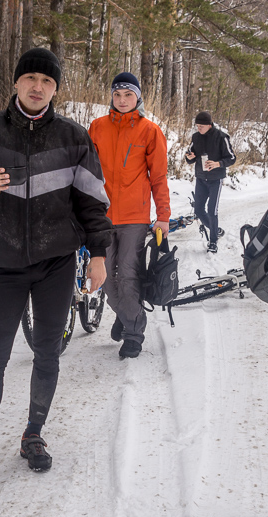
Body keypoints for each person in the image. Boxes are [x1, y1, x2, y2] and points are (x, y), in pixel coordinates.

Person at [0, 48, 113, 490]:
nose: (38, 87)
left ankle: (33, 435)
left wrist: (98, 254)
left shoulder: (73, 138)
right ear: (16, 83)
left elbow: (94, 203)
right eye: (31, 78)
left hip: (57, 263)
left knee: (47, 351)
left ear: (56, 89)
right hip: (4, 264)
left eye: (48, 81)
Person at [88, 72, 171, 358]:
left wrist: (163, 215)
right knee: (106, 280)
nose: (122, 100)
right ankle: (125, 316)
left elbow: (159, 177)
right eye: (117, 95)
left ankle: (134, 332)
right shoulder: (97, 128)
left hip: (135, 218)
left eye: (128, 95)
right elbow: (86, 174)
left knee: (128, 277)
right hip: (102, 216)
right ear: (111, 97)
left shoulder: (150, 131)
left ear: (138, 98)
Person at [184, 111, 236, 253]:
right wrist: (189, 156)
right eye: (197, 126)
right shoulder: (196, 137)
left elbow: (232, 158)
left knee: (212, 211)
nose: (198, 129)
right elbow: (191, 157)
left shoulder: (221, 137)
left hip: (215, 180)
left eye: (201, 126)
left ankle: (213, 241)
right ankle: (216, 230)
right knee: (199, 210)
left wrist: (218, 164)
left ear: (209, 125)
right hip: (201, 178)